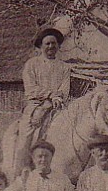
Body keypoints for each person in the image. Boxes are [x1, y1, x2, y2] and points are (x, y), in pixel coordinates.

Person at [16, 27, 71, 175]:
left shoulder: (64, 67)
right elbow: (31, 88)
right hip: (37, 105)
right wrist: (51, 94)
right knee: (27, 135)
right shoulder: (32, 64)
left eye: (54, 43)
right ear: (41, 46)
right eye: (47, 44)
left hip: (58, 104)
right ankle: (22, 168)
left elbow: (65, 89)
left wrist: (58, 97)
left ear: (58, 46)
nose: (51, 47)